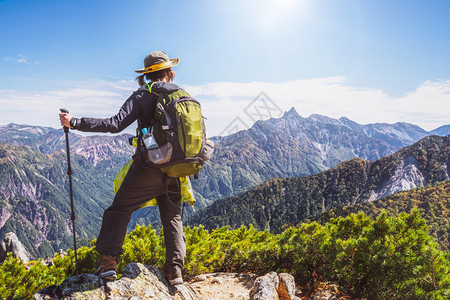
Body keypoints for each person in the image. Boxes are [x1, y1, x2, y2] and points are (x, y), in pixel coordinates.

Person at [59, 51, 186, 285]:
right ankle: (175, 272)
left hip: (149, 167)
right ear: (170, 72)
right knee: (173, 217)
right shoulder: (183, 96)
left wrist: (75, 122)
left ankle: (108, 265)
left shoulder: (142, 96)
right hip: (177, 170)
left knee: (119, 210)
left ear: (147, 76)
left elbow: (115, 124)